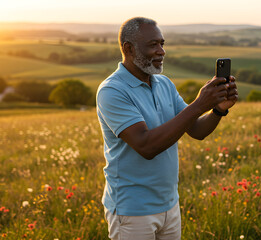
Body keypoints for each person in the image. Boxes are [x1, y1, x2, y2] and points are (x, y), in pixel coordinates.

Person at [96, 17, 238, 240]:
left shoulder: (164, 84)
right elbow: (146, 146)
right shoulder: (112, 91)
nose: (162, 51)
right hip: (132, 211)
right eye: (153, 44)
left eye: (162, 43)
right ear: (129, 49)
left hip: (169, 205)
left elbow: (196, 130)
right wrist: (200, 103)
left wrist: (218, 110)